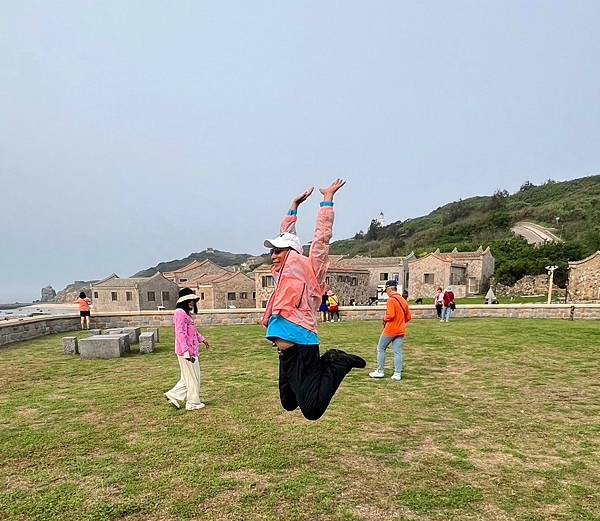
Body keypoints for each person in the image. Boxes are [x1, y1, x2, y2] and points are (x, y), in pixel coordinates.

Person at [262, 179, 366, 421]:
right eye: (272, 251)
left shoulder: (311, 271)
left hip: (302, 346)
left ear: (291, 253)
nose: (273, 256)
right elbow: (287, 234)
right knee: (289, 404)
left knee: (312, 410)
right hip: (285, 353)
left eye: (277, 251)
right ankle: (324, 365)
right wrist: (293, 207)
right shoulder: (280, 275)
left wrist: (326, 201)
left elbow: (321, 240)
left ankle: (337, 362)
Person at [164, 288, 211, 411]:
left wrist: (202, 339)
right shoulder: (180, 313)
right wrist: (186, 351)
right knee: (193, 377)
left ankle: (173, 394)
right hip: (186, 352)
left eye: (192, 300)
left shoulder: (186, 314)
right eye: (189, 300)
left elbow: (192, 332)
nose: (191, 303)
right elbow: (180, 333)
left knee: (188, 377)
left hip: (192, 350)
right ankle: (192, 403)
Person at [369, 280, 412, 381]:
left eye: (387, 291)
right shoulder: (403, 300)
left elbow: (391, 315)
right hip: (401, 329)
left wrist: (384, 318)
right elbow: (408, 317)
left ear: (389, 289)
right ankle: (397, 373)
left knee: (381, 348)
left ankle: (380, 371)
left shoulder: (391, 300)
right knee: (398, 352)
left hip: (391, 329)